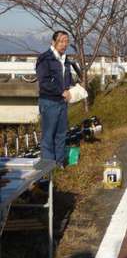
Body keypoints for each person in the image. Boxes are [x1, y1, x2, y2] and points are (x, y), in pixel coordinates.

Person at [36, 30, 74, 167]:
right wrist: (61, 91)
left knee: (61, 134)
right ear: (53, 42)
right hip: (49, 101)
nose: (64, 44)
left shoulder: (65, 59)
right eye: (61, 41)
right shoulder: (45, 58)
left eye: (66, 41)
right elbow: (44, 82)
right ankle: (48, 169)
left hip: (62, 102)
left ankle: (59, 165)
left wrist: (74, 87)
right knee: (48, 136)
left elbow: (66, 78)